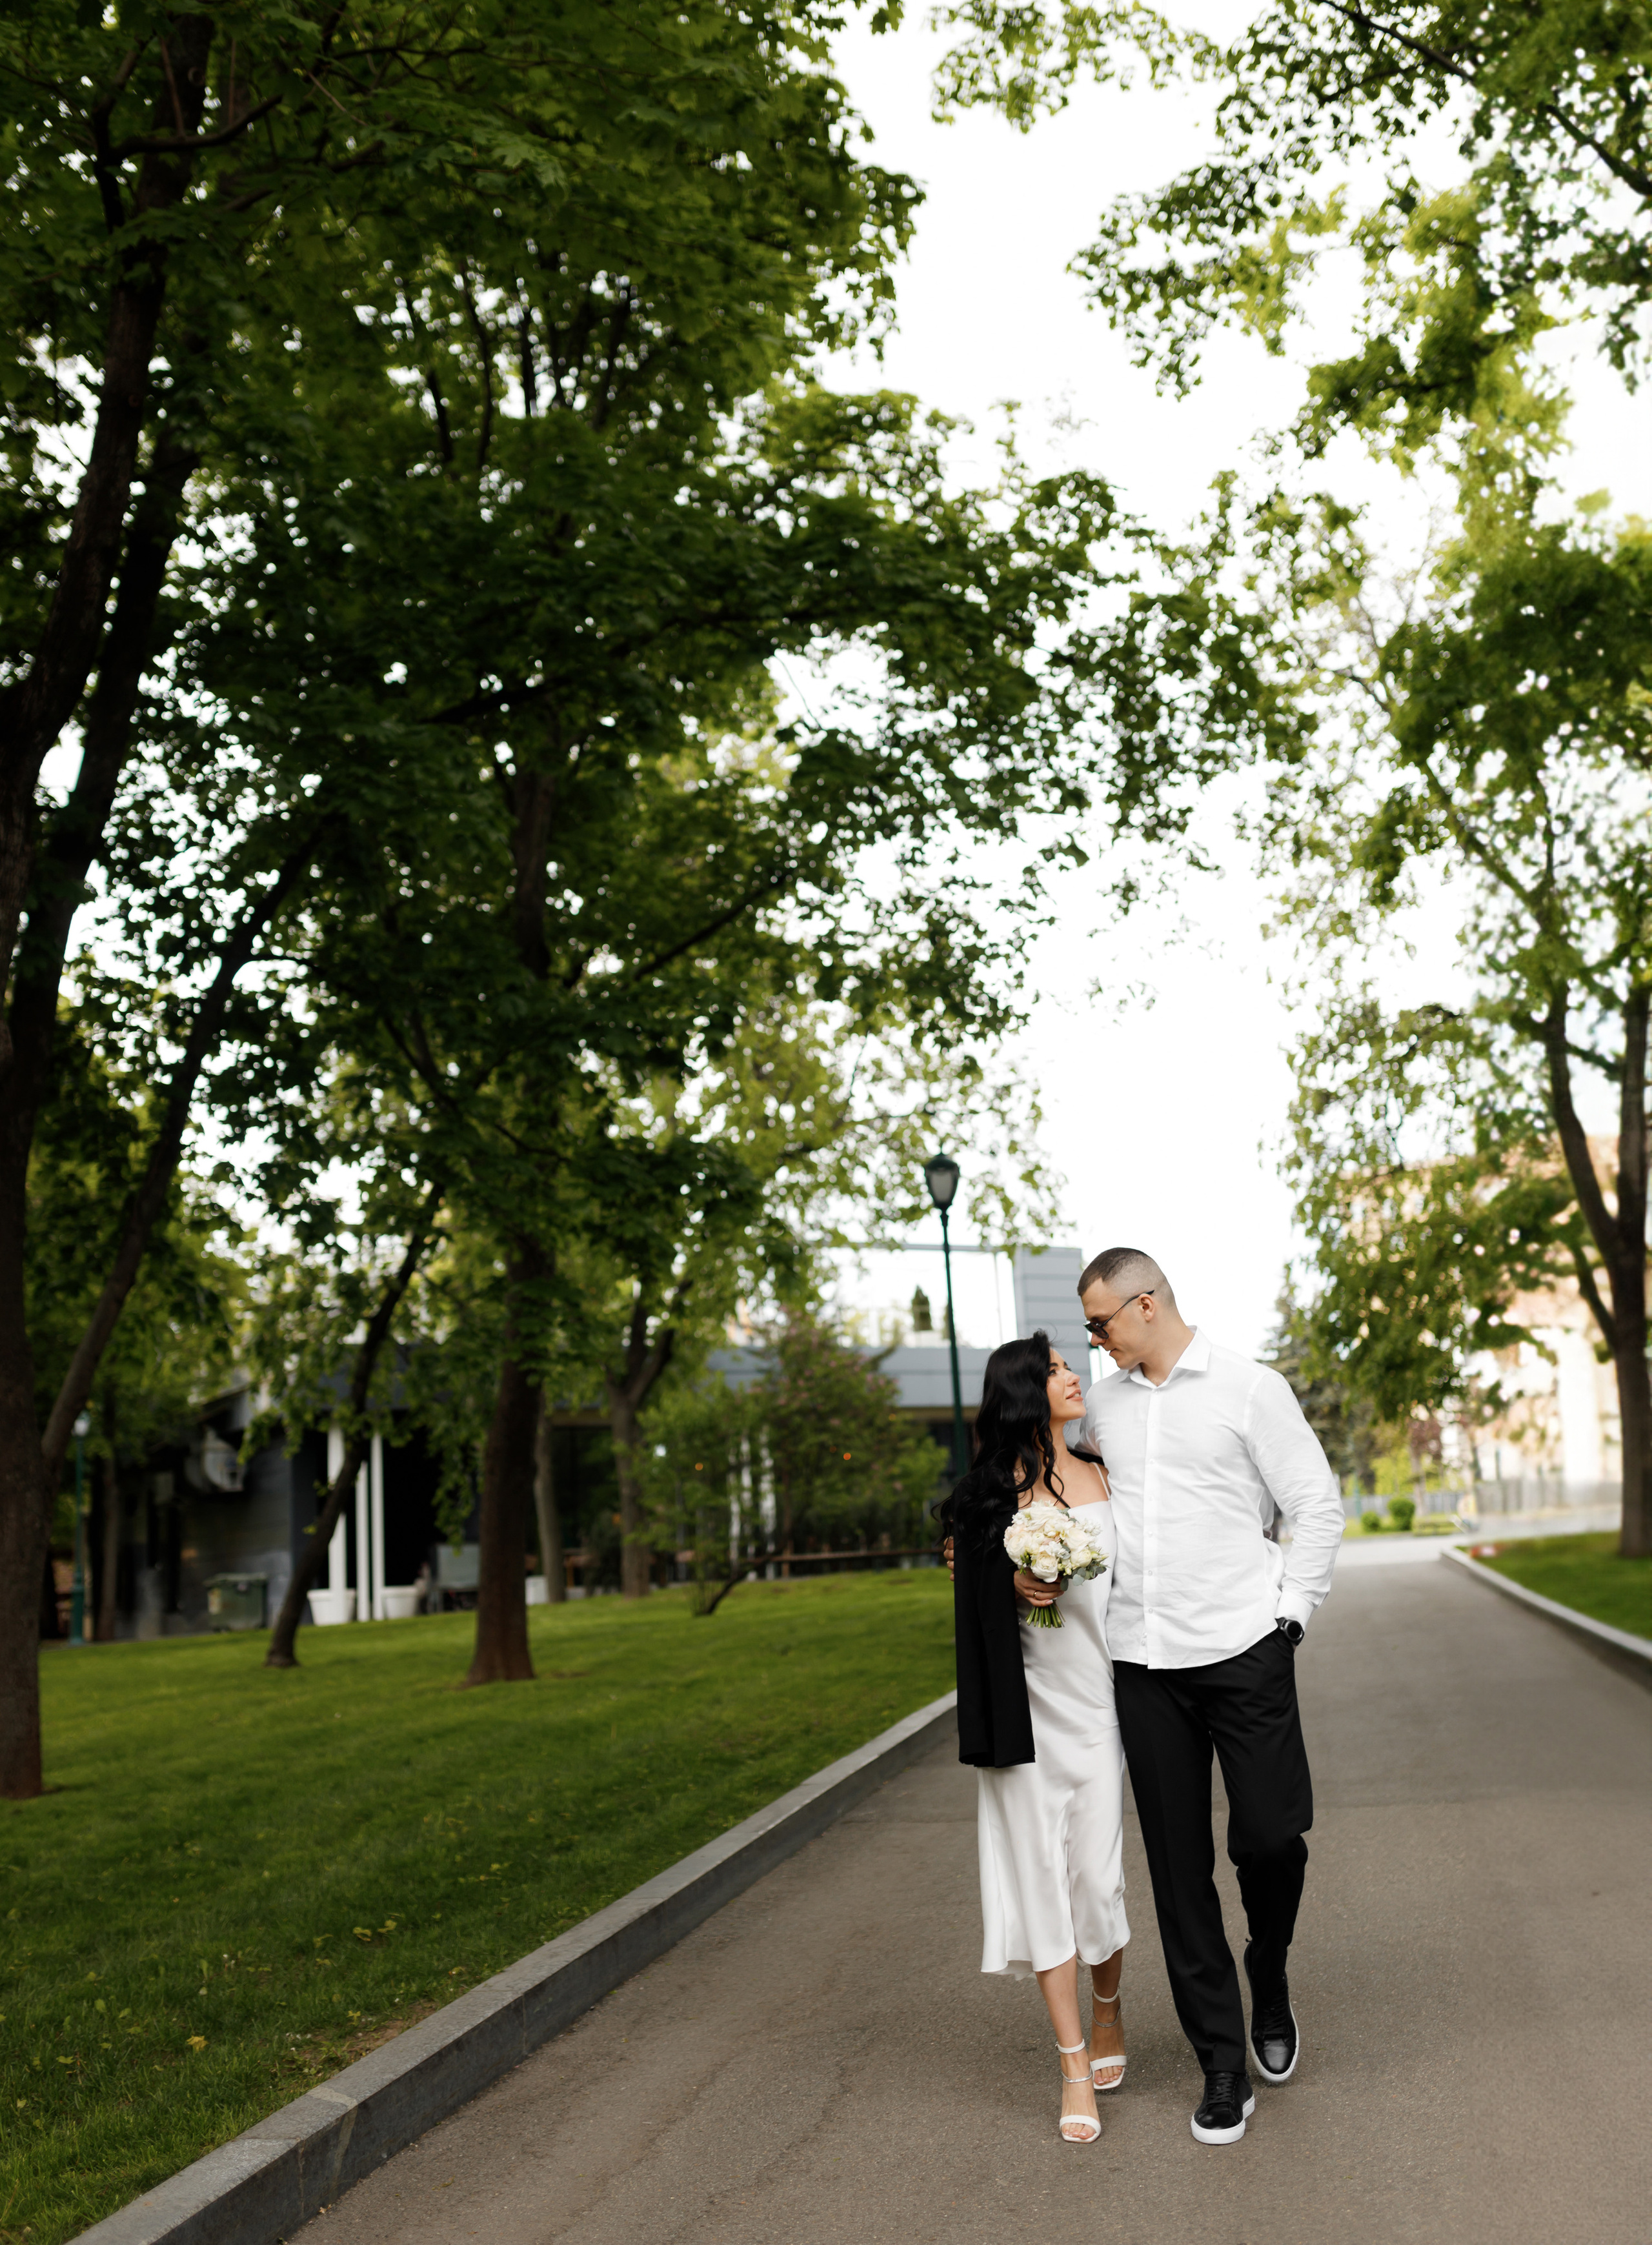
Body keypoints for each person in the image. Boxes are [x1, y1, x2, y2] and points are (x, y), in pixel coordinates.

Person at [1076, 1247, 1344, 2148]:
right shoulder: (1103, 1405)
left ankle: (1269, 1969)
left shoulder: (1250, 1387)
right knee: (1177, 1870)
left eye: (1102, 1322)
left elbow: (1316, 1503)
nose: (1095, 1339)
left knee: (1271, 1836)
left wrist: (1290, 1615)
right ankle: (1221, 2063)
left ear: (1146, 1303)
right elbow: (1050, 1474)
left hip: (1244, 1649)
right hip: (1142, 1663)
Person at [943, 1331, 1129, 2147]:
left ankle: (1109, 2007)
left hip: (1099, 1707)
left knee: (1099, 1882)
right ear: (1023, 1390)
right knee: (1042, 1883)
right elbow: (964, 1581)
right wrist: (1006, 1576)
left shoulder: (1104, 1470)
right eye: (1054, 1369)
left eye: (1068, 1363)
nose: (1072, 1374)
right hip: (1024, 1716)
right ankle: (1071, 2062)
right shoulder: (987, 1494)